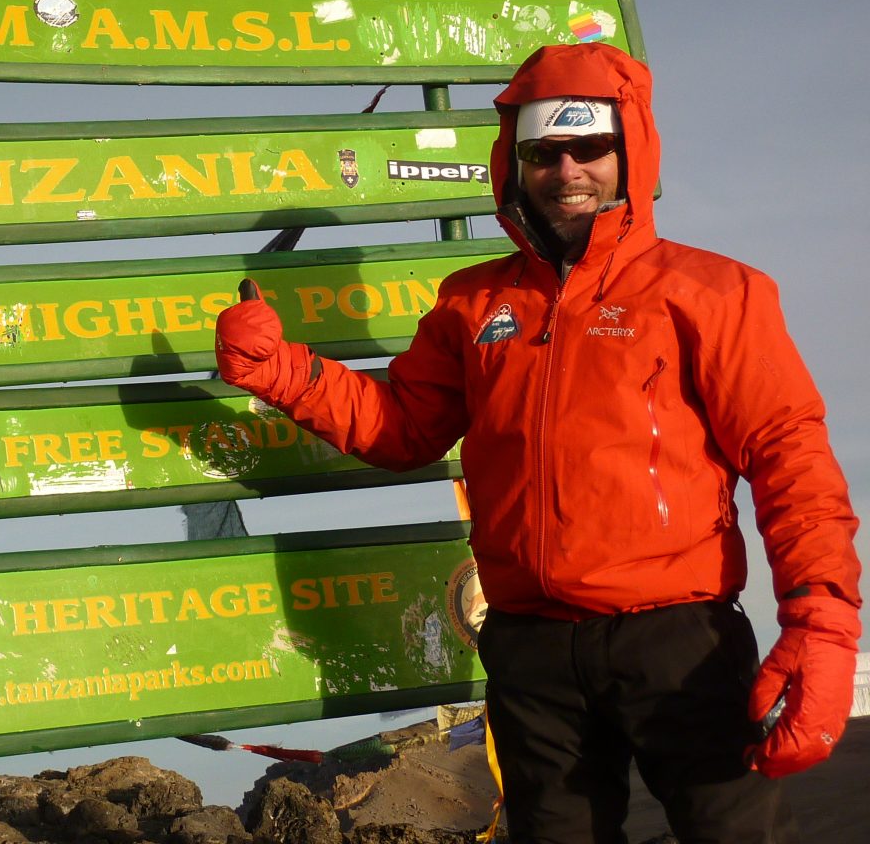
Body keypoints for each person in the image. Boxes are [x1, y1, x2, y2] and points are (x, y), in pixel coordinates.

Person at [214, 43, 860, 843]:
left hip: (677, 643)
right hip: (530, 651)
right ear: (514, 163)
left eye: (589, 147)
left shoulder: (713, 292)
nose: (567, 171)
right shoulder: (472, 302)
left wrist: (821, 621)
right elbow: (403, 428)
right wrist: (281, 370)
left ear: (630, 153)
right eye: (543, 152)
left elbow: (790, 458)